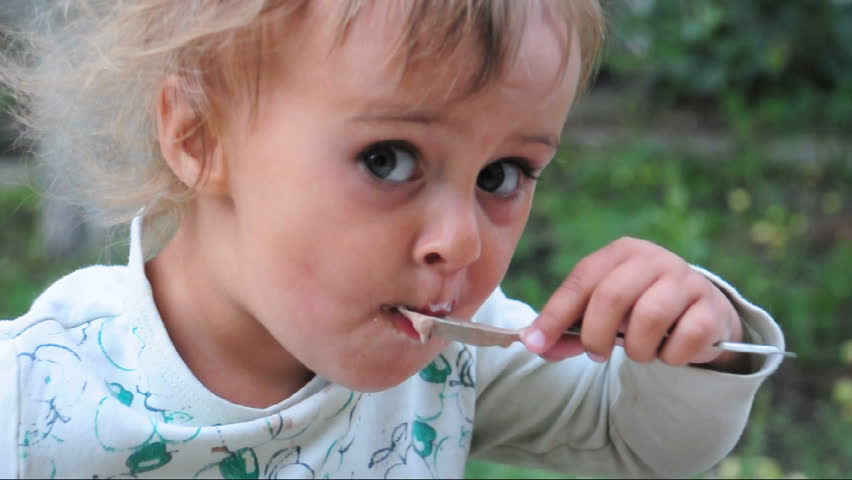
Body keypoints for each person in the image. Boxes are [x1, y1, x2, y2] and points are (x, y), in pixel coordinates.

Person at [0, 1, 787, 478]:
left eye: (503, 174)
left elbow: (648, 441)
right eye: (389, 159)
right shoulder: (30, 398)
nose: (461, 241)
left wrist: (700, 339)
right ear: (200, 136)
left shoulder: (451, 361)